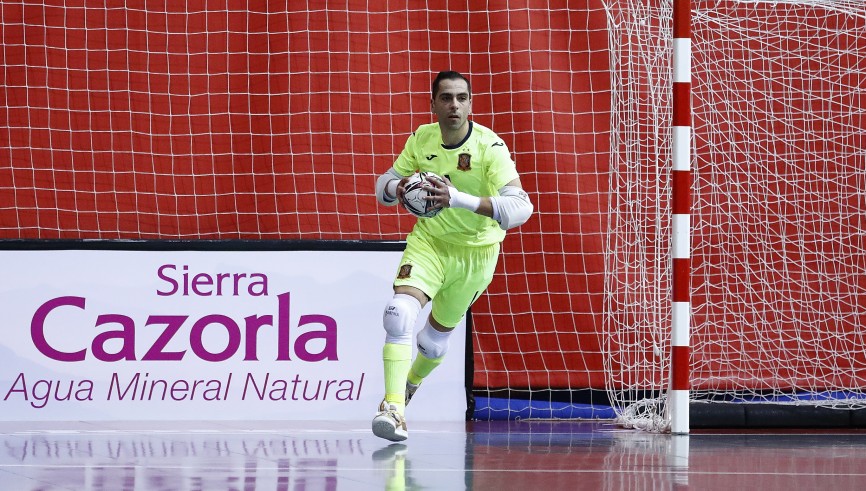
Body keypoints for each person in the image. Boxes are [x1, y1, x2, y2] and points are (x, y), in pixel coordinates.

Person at [373, 71, 533, 441]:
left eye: (461, 98)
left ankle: (410, 385)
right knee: (399, 313)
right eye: (446, 98)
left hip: (476, 254)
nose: (454, 105)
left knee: (432, 343)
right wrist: (401, 186)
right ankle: (393, 408)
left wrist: (456, 199)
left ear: (470, 104)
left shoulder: (490, 148)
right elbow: (382, 186)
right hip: (429, 242)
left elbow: (522, 208)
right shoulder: (421, 137)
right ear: (433, 104)